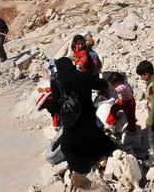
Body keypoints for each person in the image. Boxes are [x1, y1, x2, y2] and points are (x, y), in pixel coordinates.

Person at [45, 57, 115, 189]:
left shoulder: (56, 82)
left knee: (67, 146)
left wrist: (49, 107)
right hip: (88, 117)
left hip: (72, 121)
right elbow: (99, 83)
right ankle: (106, 154)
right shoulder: (82, 76)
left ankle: (80, 171)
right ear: (71, 65)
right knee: (95, 136)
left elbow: (55, 104)